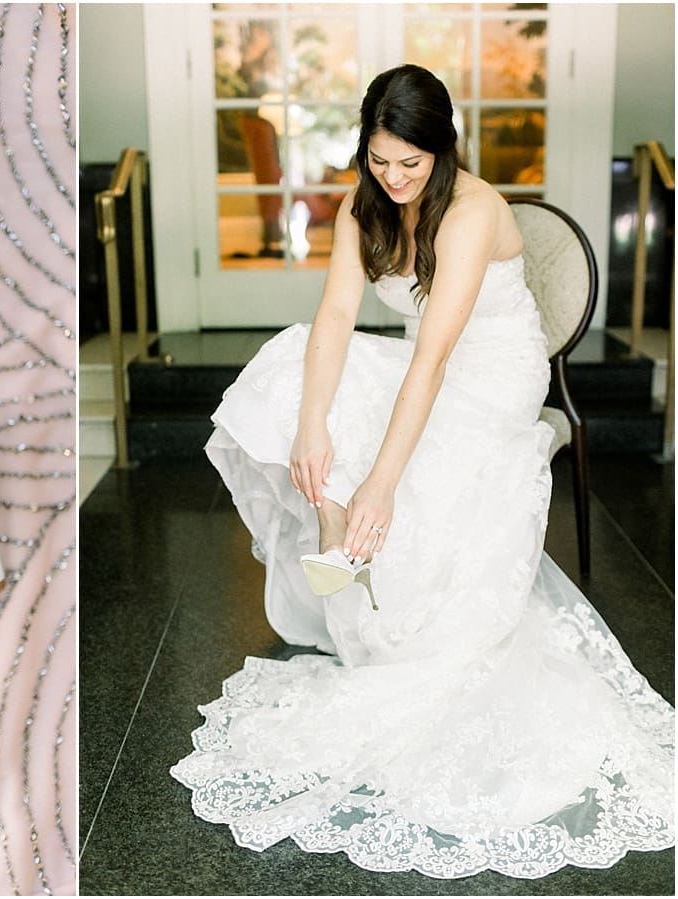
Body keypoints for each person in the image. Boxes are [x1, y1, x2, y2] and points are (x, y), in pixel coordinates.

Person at [170, 64, 673, 878]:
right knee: (293, 359)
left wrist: (380, 482)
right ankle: (333, 517)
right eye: (381, 161)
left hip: (489, 381)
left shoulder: (474, 211)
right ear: (364, 149)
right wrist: (310, 431)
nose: (397, 180)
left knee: (395, 479)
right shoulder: (360, 205)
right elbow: (334, 315)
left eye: (413, 163)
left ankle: (361, 524)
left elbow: (433, 360)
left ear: (443, 149)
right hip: (424, 370)